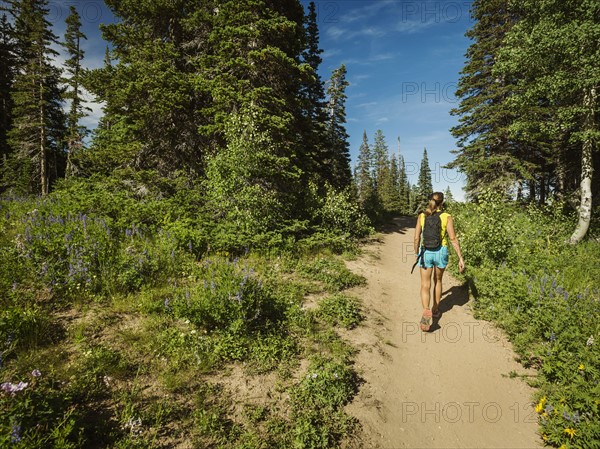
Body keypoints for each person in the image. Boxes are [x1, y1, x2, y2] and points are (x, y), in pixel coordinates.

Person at [413, 192, 465, 331]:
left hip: (426, 252)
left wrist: (417, 251)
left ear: (430, 201)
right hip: (441, 251)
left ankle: (426, 309)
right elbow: (453, 238)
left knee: (425, 284)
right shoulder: (446, 217)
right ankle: (435, 310)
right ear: (442, 203)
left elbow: (417, 237)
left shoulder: (422, 216)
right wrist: (460, 257)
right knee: (438, 281)